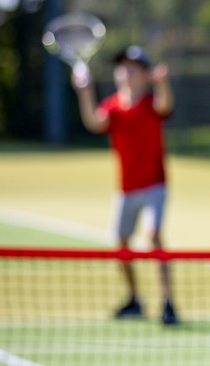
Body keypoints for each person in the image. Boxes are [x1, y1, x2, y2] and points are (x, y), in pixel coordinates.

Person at [72, 45, 178, 326]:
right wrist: (84, 92)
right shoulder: (113, 106)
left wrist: (164, 82)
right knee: (120, 244)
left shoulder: (151, 103)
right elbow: (95, 123)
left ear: (145, 75)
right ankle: (134, 299)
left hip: (155, 185)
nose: (126, 72)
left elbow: (165, 105)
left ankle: (168, 302)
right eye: (123, 68)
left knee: (153, 234)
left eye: (133, 68)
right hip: (126, 188)